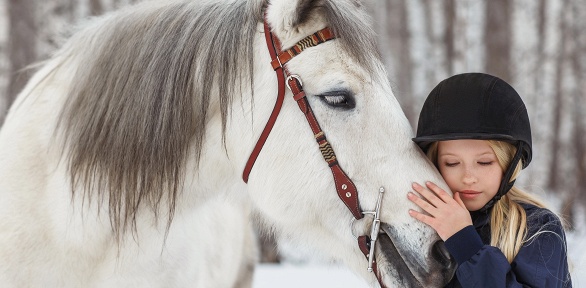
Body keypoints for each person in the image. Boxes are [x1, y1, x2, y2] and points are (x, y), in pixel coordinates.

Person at [407, 73, 572, 287]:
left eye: (484, 162)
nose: (468, 177)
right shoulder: (422, 228)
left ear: (509, 164)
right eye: (452, 163)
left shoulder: (536, 230)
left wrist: (464, 242)